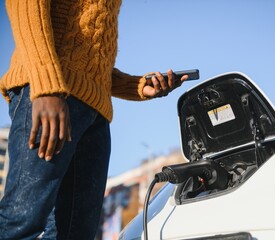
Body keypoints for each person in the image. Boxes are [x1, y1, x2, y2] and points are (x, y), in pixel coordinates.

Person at [0, 0, 188, 239]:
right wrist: (47, 87)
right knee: (22, 219)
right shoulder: (48, 89)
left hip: (95, 112)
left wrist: (137, 86)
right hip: (49, 95)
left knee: (76, 233)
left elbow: (87, 59)